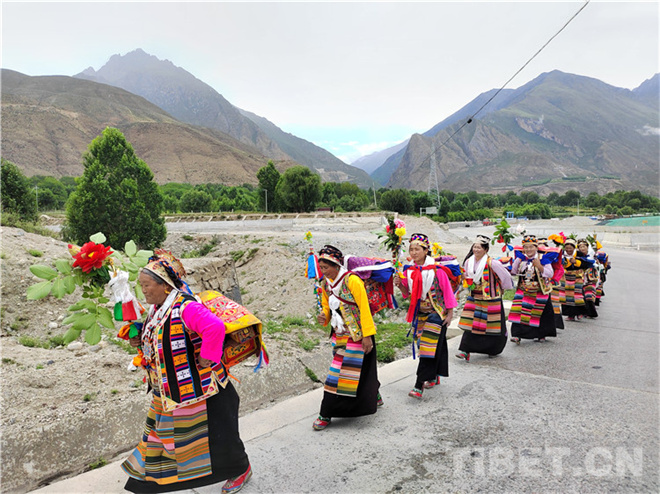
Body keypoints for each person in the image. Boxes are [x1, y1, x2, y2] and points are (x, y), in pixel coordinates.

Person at [122, 250, 252, 494]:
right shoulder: (157, 308)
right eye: (141, 285)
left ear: (165, 285)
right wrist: (140, 338)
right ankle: (151, 481)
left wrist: (207, 357)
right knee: (165, 438)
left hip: (206, 391)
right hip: (174, 391)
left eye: (147, 285)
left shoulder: (185, 307)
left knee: (218, 439)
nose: (144, 291)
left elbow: (214, 328)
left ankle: (240, 469)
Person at [314, 245, 381, 431]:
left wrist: (367, 336)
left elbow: (364, 308)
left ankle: (325, 412)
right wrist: (324, 316)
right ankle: (374, 395)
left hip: (359, 334)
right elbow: (327, 306)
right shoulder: (326, 283)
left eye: (326, 267)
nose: (323, 271)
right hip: (340, 334)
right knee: (358, 369)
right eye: (321, 267)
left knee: (337, 374)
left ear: (336, 265)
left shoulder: (352, 281)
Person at [394, 233, 457, 399]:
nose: (414, 252)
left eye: (417, 249)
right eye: (411, 249)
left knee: (427, 348)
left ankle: (418, 385)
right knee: (432, 346)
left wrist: (450, 314)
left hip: (437, 312)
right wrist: (400, 285)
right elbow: (407, 294)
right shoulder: (409, 270)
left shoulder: (437, 270)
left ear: (426, 250)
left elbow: (448, 293)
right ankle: (434, 375)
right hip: (420, 313)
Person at [456, 235, 514, 362]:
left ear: (486, 250)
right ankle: (465, 350)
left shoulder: (492, 263)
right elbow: (465, 276)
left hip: (491, 297)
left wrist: (502, 289)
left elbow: (505, 277)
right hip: (474, 297)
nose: (476, 250)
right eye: (475, 247)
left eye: (479, 247)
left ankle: (493, 349)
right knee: (471, 324)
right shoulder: (468, 262)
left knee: (492, 325)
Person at [508, 235, 557, 343]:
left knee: (540, 313)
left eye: (531, 247)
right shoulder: (521, 258)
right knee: (518, 311)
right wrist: (516, 262)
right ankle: (517, 335)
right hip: (523, 289)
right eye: (526, 247)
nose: (528, 249)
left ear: (536, 247)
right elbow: (514, 272)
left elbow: (550, 274)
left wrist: (539, 266)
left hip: (539, 290)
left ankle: (541, 334)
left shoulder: (543, 258)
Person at [577, 239, 599, 318]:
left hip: (590, 278)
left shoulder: (592, 255)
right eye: (580, 247)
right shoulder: (577, 256)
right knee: (580, 296)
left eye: (584, 246)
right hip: (580, 278)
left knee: (589, 295)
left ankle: (591, 313)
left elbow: (597, 263)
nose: (582, 248)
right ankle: (582, 312)